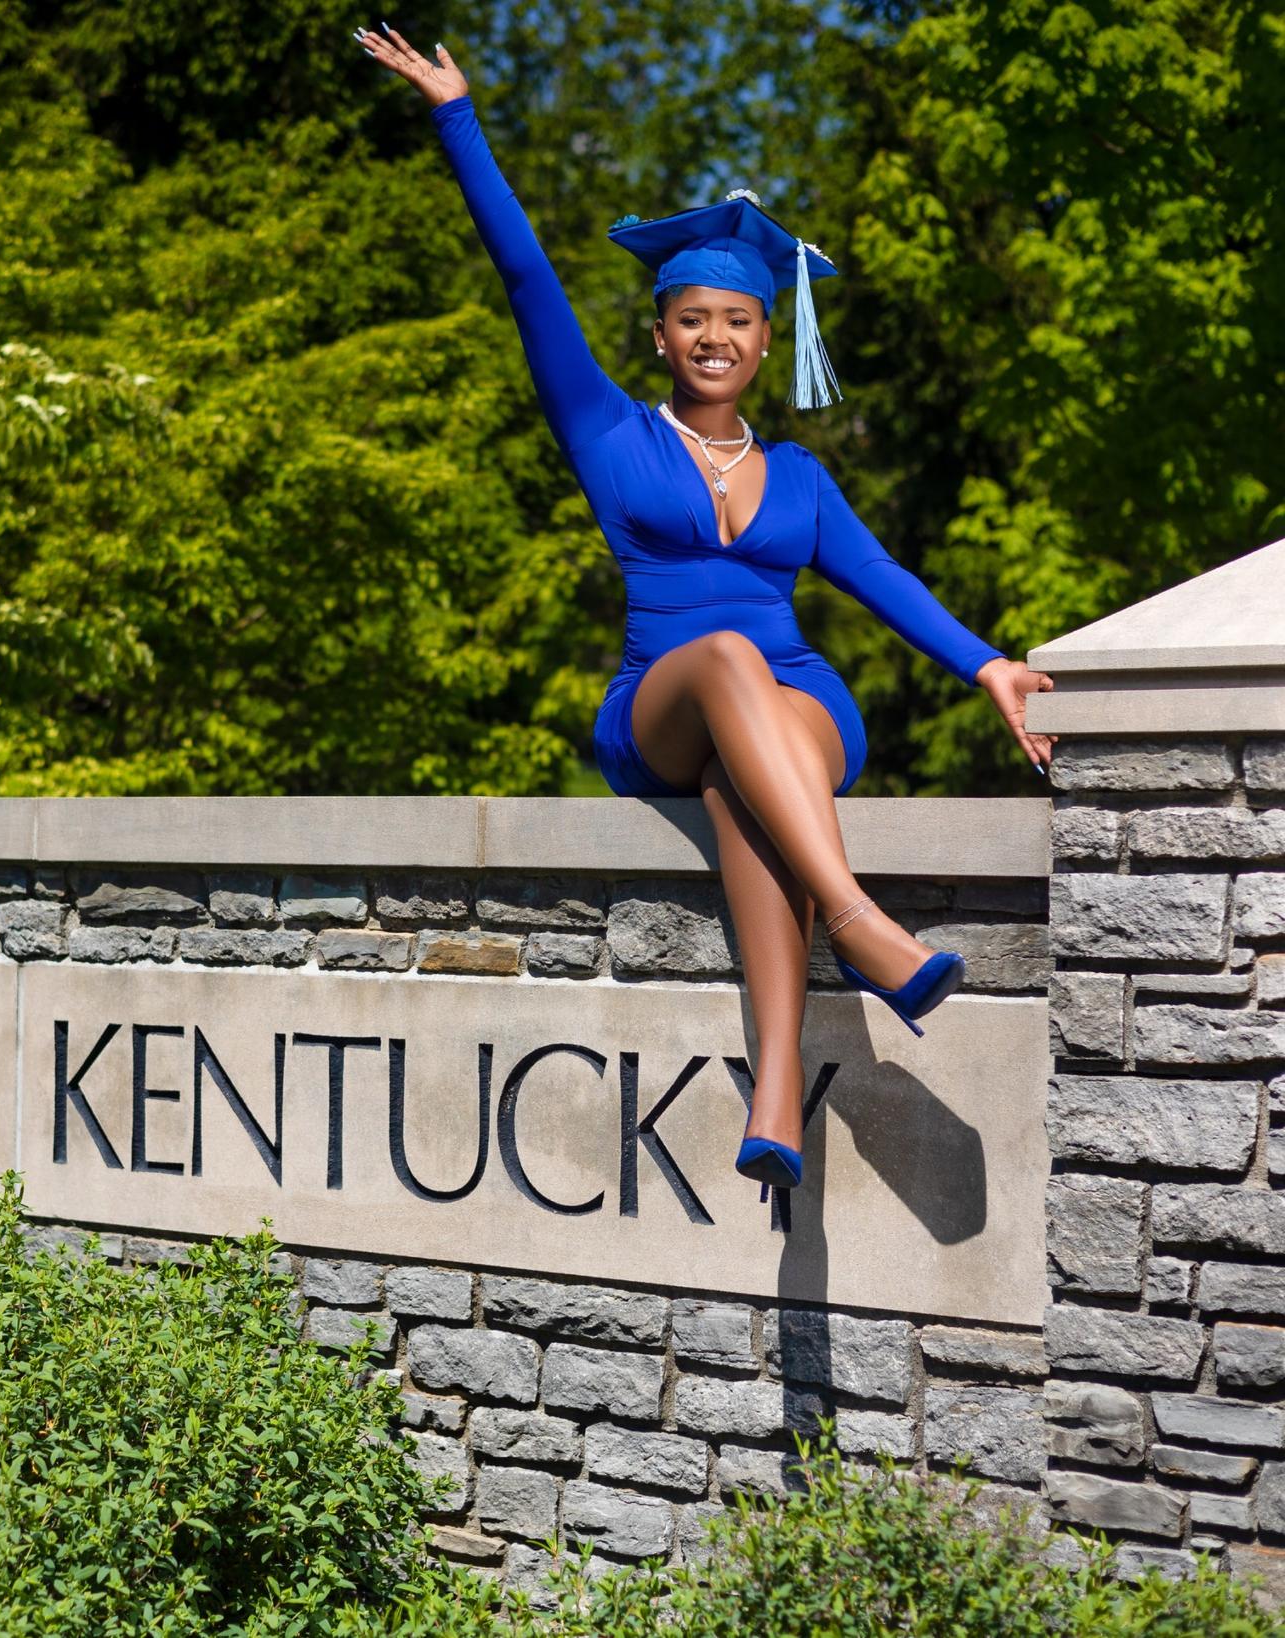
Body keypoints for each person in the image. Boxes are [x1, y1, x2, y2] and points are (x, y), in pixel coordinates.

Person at [355, 24, 1057, 1196]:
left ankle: (775, 1084)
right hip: (663, 702)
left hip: (798, 708)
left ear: (765, 338)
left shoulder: (800, 478)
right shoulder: (608, 431)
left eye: (735, 322)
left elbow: (884, 584)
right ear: (661, 334)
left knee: (752, 782)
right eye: (691, 320)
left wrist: (987, 667)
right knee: (729, 658)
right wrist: (456, 115)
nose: (713, 338)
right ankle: (854, 919)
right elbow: (526, 275)